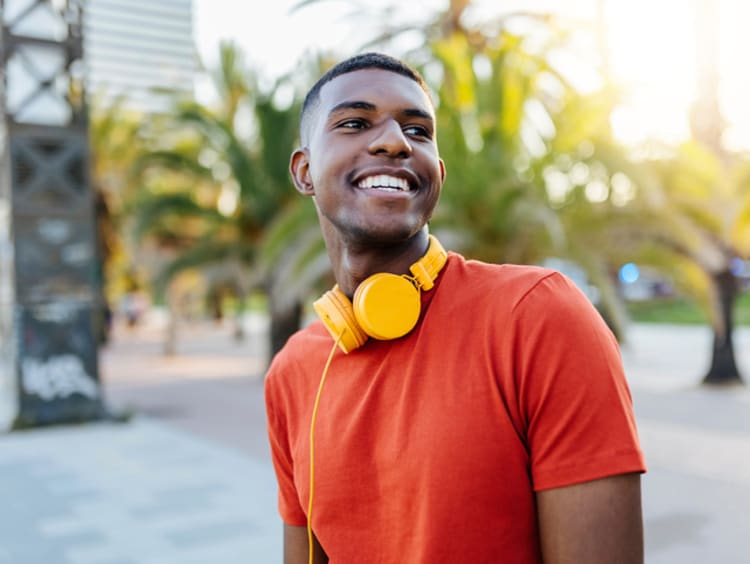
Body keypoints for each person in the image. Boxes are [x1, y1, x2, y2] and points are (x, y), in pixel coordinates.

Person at [264, 52, 646, 564]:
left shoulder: (539, 317)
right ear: (304, 170)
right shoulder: (291, 372)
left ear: (436, 175)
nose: (395, 141)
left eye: (418, 131)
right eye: (355, 123)